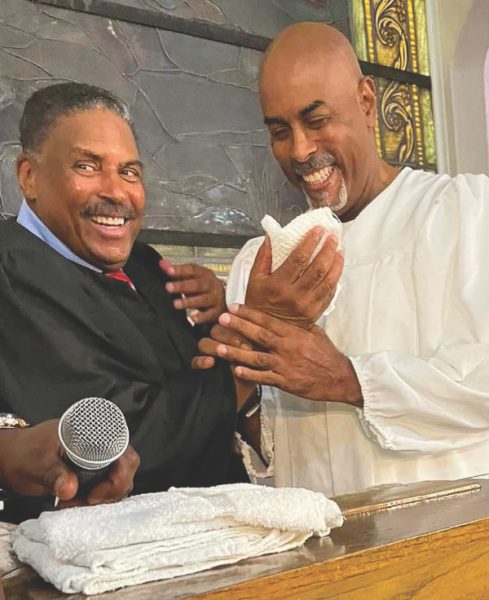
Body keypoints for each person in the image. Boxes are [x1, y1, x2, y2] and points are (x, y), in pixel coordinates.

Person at [196, 22, 489, 498]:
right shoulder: (259, 264)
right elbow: (268, 451)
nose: (300, 151)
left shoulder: (464, 213)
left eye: (316, 120)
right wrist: (242, 388)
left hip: (450, 549)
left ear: (367, 103)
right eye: (279, 131)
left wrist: (350, 380)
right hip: (324, 558)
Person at [0, 82, 251, 523]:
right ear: (29, 177)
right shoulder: (9, 273)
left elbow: (197, 373)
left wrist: (220, 325)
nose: (117, 192)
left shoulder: (146, 265)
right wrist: (253, 354)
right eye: (87, 166)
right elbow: (120, 442)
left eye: (130, 172)